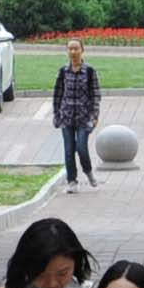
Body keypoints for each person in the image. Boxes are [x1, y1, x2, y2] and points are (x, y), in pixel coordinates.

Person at [49, 35, 104, 190]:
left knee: (81, 147)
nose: (73, 52)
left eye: (76, 49)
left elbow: (96, 96)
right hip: (66, 117)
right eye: (70, 49)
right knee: (68, 150)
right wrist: (56, 114)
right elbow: (57, 95)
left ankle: (88, 171)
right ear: (67, 51)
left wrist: (94, 116)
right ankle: (72, 181)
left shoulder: (89, 71)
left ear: (82, 50)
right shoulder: (63, 71)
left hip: (84, 117)